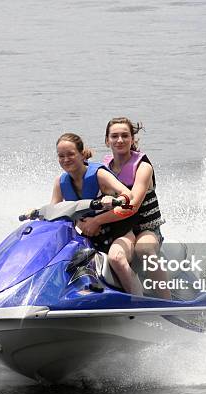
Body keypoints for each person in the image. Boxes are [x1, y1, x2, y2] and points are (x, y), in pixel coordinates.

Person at [50, 133, 142, 295]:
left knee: (116, 258)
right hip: (90, 237)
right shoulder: (60, 182)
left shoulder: (99, 174)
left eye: (71, 154)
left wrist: (114, 199)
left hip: (119, 232)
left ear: (81, 154)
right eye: (61, 156)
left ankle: (139, 302)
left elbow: (128, 194)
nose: (66, 159)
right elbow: (54, 213)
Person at [102, 117, 170, 299]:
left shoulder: (143, 167)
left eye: (125, 136)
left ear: (133, 139)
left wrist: (97, 221)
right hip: (123, 229)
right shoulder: (104, 169)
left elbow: (132, 205)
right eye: (114, 136)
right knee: (114, 256)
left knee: (144, 249)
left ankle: (168, 304)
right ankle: (134, 299)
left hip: (147, 229)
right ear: (107, 140)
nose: (120, 140)